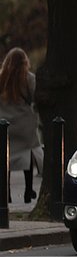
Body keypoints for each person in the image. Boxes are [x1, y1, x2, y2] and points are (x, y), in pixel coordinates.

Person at [0, 48, 41, 205]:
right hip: (24, 125)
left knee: (6, 158)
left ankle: (7, 192)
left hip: (5, 125)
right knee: (27, 157)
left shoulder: (1, 78)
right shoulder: (29, 79)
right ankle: (28, 191)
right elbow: (34, 97)